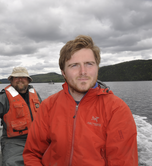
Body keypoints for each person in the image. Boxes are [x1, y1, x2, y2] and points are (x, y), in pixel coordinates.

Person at [23, 35, 138, 166]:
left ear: (97, 68)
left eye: (89, 64)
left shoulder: (117, 109)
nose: (83, 72)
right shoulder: (48, 106)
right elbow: (32, 154)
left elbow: (123, 162)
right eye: (74, 65)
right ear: (63, 73)